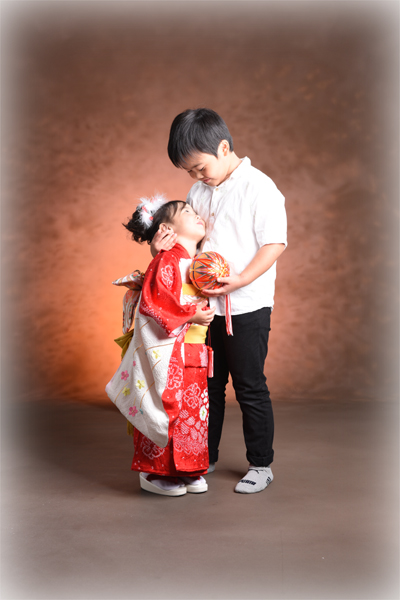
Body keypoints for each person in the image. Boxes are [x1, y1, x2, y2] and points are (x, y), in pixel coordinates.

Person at [152, 108, 287, 494]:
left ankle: (260, 464)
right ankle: (203, 456)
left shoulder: (260, 188)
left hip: (246, 306)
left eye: (199, 168)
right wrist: (159, 250)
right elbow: (188, 246)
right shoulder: (199, 192)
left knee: (249, 385)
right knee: (209, 385)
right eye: (189, 173)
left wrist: (240, 280)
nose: (196, 177)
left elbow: (274, 243)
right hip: (206, 311)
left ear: (223, 148)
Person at [106, 196, 215, 496]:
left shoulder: (198, 260)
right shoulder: (167, 259)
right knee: (164, 408)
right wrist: (191, 314)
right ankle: (154, 472)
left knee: (192, 411)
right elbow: (154, 304)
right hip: (169, 350)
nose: (197, 215)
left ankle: (188, 467)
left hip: (193, 350)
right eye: (188, 211)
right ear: (167, 229)